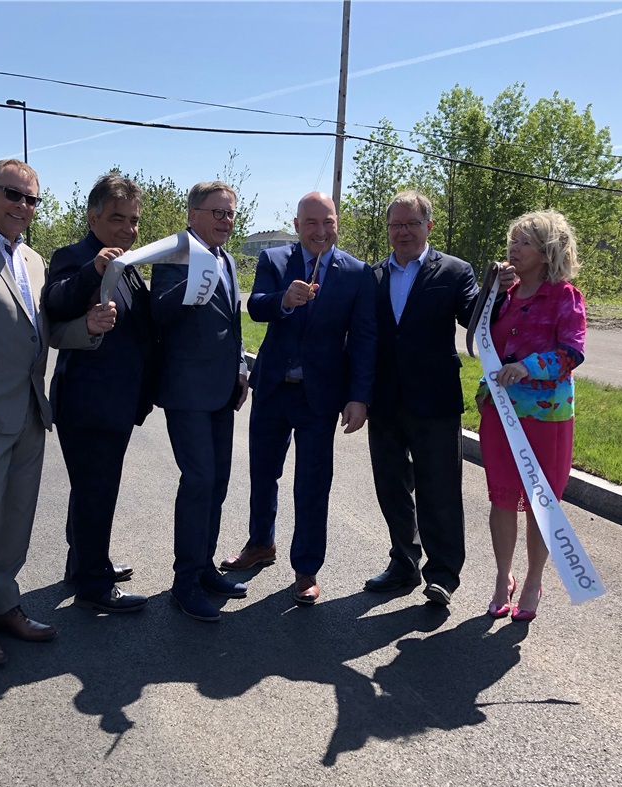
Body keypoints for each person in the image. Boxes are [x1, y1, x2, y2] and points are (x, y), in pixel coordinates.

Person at [0, 158, 117, 666]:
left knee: (16, 518)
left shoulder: (31, 259)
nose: (23, 206)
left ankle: (3, 604)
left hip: (30, 409)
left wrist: (87, 328)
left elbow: (43, 331)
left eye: (32, 199)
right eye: (13, 194)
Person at [220, 192, 377, 605]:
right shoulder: (274, 260)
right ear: (297, 225)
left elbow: (364, 339)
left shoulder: (356, 273)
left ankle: (306, 568)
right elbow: (256, 307)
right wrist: (284, 301)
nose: (320, 231)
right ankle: (260, 543)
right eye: (311, 223)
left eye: (328, 222)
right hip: (273, 388)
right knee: (262, 473)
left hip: (319, 397)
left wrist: (358, 397)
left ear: (337, 222)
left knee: (312, 483)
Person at [364, 190, 513, 607]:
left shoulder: (454, 270)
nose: (403, 232)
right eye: (396, 225)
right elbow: (364, 336)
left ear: (428, 225)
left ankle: (444, 573)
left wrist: (497, 292)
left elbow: (473, 317)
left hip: (435, 400)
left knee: (439, 488)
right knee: (391, 487)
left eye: (411, 223)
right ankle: (403, 563)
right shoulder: (373, 276)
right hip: (385, 400)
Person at [42, 173, 159, 614]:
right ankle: (95, 584)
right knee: (97, 491)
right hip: (87, 403)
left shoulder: (128, 266)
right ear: (93, 218)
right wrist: (93, 270)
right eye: (117, 219)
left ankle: (85, 563)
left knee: (92, 490)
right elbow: (56, 302)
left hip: (117, 402)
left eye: (133, 220)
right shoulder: (75, 257)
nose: (128, 229)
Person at [477, 210, 586, 622]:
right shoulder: (503, 296)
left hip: (546, 419)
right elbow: (486, 344)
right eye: (513, 241)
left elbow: (572, 352)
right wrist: (494, 292)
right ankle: (502, 576)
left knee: (542, 502)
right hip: (501, 415)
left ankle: (533, 580)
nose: (514, 249)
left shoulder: (565, 296)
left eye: (524, 243)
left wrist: (528, 367)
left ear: (548, 251)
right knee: (502, 498)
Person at [151, 181, 250, 622]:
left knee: (218, 483)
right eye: (217, 212)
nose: (226, 221)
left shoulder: (227, 258)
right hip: (188, 392)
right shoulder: (176, 255)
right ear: (193, 214)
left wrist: (241, 370)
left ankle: (205, 567)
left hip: (223, 391)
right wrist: (193, 285)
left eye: (230, 213)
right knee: (199, 480)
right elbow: (159, 312)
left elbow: (232, 322)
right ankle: (185, 582)